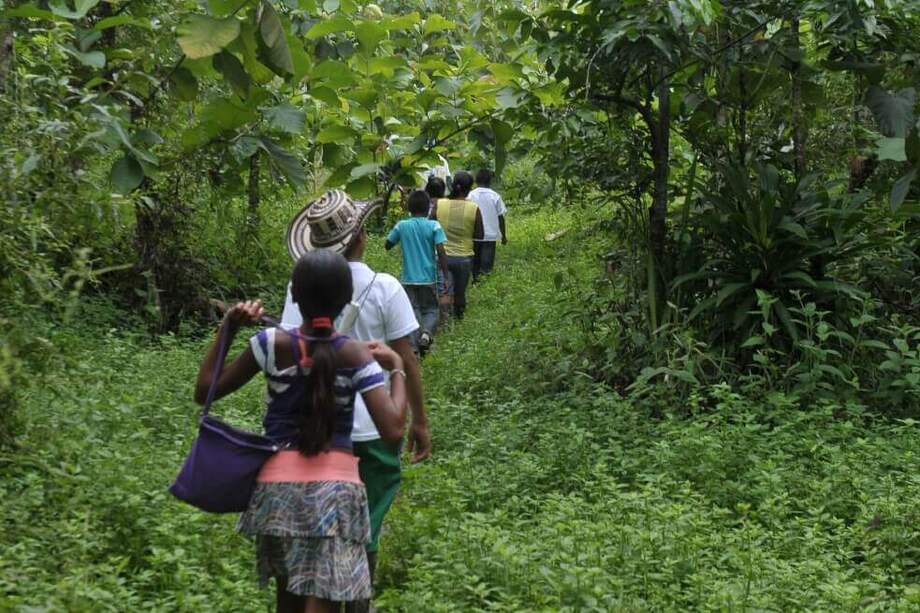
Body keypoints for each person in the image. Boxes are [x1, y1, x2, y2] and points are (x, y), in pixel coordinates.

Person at [194, 250, 408, 613]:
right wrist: (398, 368)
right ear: (345, 301)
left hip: (276, 494)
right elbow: (392, 429)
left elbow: (204, 391)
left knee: (287, 603)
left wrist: (228, 326)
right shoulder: (357, 356)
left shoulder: (269, 344)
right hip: (336, 497)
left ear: (294, 296)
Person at [280, 190, 432, 613]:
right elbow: (406, 358)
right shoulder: (385, 287)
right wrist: (420, 420)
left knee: (320, 530)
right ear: (361, 236)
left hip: (317, 429)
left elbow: (292, 354)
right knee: (365, 531)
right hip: (376, 429)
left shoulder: (299, 288)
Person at [385, 189, 449, 355]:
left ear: (409, 207)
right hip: (428, 278)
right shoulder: (434, 225)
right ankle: (426, 334)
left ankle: (414, 348)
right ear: (428, 207)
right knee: (432, 310)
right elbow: (441, 251)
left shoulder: (402, 226)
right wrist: (446, 276)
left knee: (412, 310)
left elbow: (388, 243)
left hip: (408, 278)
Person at [430, 171, 483, 320]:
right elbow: (480, 235)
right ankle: (459, 320)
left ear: (453, 185)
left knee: (444, 292)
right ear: (469, 188)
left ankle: (444, 322)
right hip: (464, 258)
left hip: (441, 257)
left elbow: (429, 226)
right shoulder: (474, 208)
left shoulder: (439, 204)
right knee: (460, 294)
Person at [469, 168, 508, 282]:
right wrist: (503, 236)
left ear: (476, 181)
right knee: (487, 264)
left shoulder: (471, 195)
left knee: (475, 262)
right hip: (490, 236)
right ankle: (484, 282)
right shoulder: (495, 196)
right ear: (490, 181)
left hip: (474, 234)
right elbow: (501, 217)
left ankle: (475, 281)